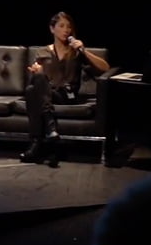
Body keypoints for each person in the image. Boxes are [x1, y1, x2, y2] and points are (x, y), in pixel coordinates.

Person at [20, 11, 110, 165]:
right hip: (48, 94)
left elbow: (105, 69)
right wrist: (37, 72)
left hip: (67, 96)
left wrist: (84, 51)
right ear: (52, 29)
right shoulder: (42, 52)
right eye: (61, 26)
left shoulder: (76, 52)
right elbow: (36, 81)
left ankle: (38, 143)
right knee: (33, 87)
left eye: (69, 27)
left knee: (32, 91)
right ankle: (49, 139)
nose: (66, 30)